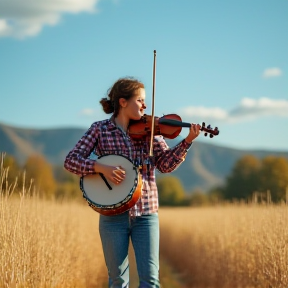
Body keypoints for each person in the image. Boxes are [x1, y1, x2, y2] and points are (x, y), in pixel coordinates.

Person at [64, 77, 201, 288]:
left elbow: (165, 165)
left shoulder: (151, 130)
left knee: (151, 281)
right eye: (140, 100)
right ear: (123, 102)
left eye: (145, 101)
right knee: (118, 281)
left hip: (146, 213)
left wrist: (186, 142)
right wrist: (100, 167)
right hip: (112, 215)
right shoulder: (100, 130)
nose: (145, 106)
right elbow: (71, 161)